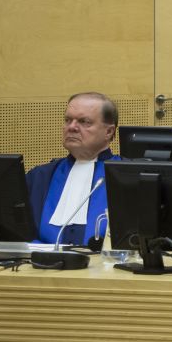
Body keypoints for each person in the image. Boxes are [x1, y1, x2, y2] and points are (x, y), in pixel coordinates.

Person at [25, 92, 123, 245]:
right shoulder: (40, 176)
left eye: (84, 122)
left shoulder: (127, 176)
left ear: (108, 132)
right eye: (68, 120)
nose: (71, 127)